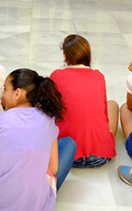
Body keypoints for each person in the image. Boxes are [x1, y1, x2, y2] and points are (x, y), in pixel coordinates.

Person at [0, 68, 77, 211]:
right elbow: (53, 168)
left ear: (18, 93)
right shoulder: (49, 120)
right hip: (38, 206)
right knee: (69, 143)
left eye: (5, 89)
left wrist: (1, 164)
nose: (3, 95)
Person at [50, 35, 118, 168]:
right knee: (112, 105)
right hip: (100, 157)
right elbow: (104, 114)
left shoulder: (56, 76)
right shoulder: (99, 76)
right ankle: (103, 141)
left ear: (65, 57)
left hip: (66, 155)